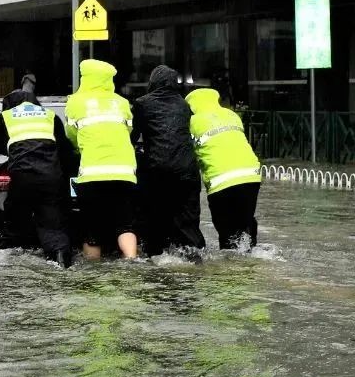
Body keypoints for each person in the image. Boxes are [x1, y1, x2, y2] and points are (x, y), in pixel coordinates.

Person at [0, 88, 75, 268]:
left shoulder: (5, 117)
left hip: (21, 176)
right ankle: (61, 262)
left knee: (14, 221)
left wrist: (16, 150)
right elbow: (63, 148)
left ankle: (9, 265)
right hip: (51, 177)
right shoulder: (50, 115)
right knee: (53, 224)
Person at [66, 60, 138, 260]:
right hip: (124, 171)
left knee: (93, 230)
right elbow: (129, 131)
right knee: (125, 224)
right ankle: (132, 260)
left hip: (92, 173)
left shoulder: (75, 102)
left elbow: (71, 135)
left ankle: (94, 270)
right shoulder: (122, 102)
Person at [131, 65, 206, 258]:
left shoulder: (142, 103)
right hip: (187, 170)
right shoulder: (184, 105)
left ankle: (155, 254)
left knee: (154, 216)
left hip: (157, 170)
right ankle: (195, 256)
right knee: (187, 219)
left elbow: (134, 136)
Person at [185, 88, 262, 250]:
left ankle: (229, 270)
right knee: (245, 220)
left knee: (226, 230)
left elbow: (188, 154)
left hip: (221, 180)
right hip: (251, 176)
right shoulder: (232, 115)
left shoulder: (192, 122)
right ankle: (251, 253)